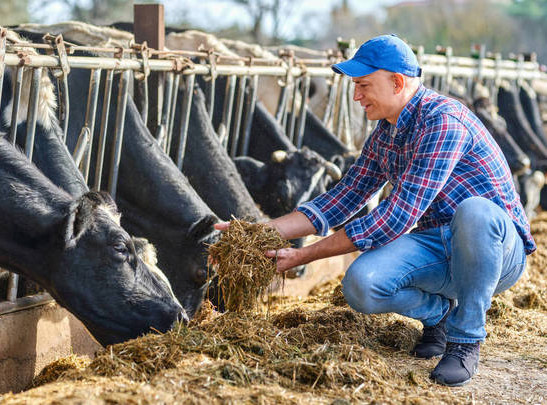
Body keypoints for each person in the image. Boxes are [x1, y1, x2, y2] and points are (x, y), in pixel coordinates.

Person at [214, 34, 535, 387]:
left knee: (475, 212)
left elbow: (398, 217)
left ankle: (465, 339)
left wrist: (303, 256)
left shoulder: (444, 121)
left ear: (397, 82)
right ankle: (440, 316)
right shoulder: (385, 134)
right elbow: (342, 199)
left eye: (364, 85)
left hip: (497, 254)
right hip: (439, 249)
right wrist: (261, 231)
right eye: (355, 86)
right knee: (361, 284)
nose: (356, 96)